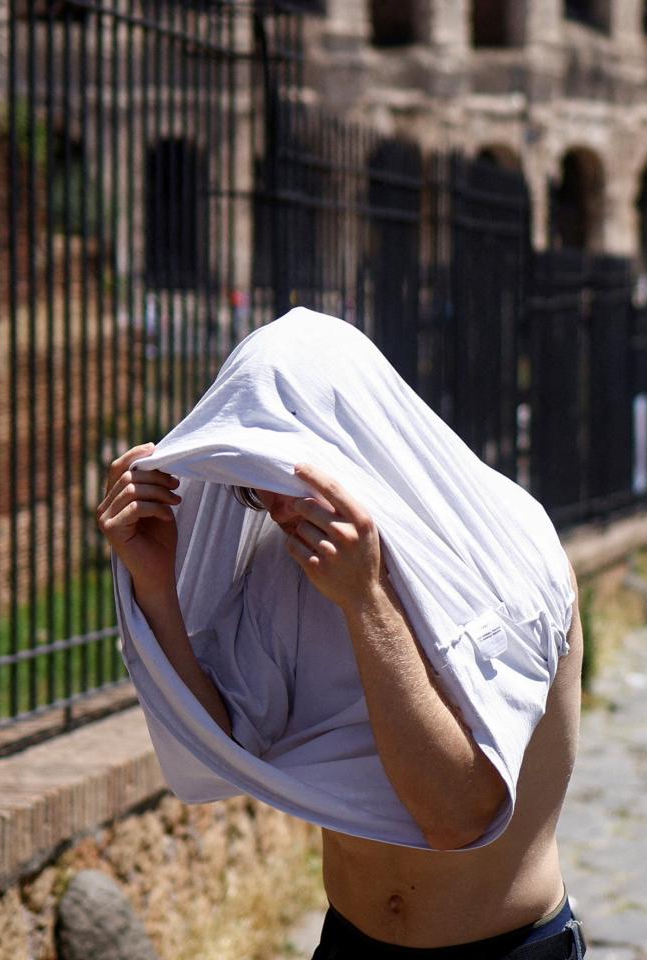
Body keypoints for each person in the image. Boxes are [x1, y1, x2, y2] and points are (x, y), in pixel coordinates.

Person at [98, 311, 587, 957]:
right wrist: (154, 587)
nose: (275, 504)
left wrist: (367, 600)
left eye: (287, 470)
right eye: (252, 483)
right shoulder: (286, 565)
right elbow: (234, 737)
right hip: (350, 941)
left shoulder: (497, 544)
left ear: (349, 441)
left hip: (507, 947)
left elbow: (460, 815)